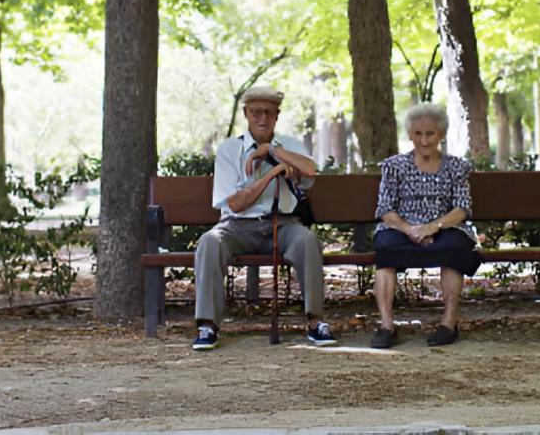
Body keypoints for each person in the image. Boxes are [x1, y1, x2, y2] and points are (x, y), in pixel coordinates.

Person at [192, 85, 337, 350]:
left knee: (307, 241)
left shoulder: (290, 145)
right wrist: (274, 173)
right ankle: (208, 325)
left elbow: (311, 171)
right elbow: (235, 204)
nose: (262, 118)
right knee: (209, 243)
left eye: (269, 113)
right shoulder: (229, 150)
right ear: (246, 114)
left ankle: (316, 322)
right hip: (236, 227)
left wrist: (272, 151)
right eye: (256, 112)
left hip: (283, 224)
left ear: (277, 115)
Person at [370, 102, 481, 348]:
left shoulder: (457, 167)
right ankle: (386, 326)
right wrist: (411, 230)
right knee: (385, 248)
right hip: (401, 227)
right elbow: (385, 210)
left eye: (430, 133)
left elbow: (462, 208)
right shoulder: (394, 166)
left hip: (444, 227)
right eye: (418, 134)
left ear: (440, 134)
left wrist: (433, 227)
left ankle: (448, 323)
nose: (424, 140)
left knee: (455, 247)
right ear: (410, 134)